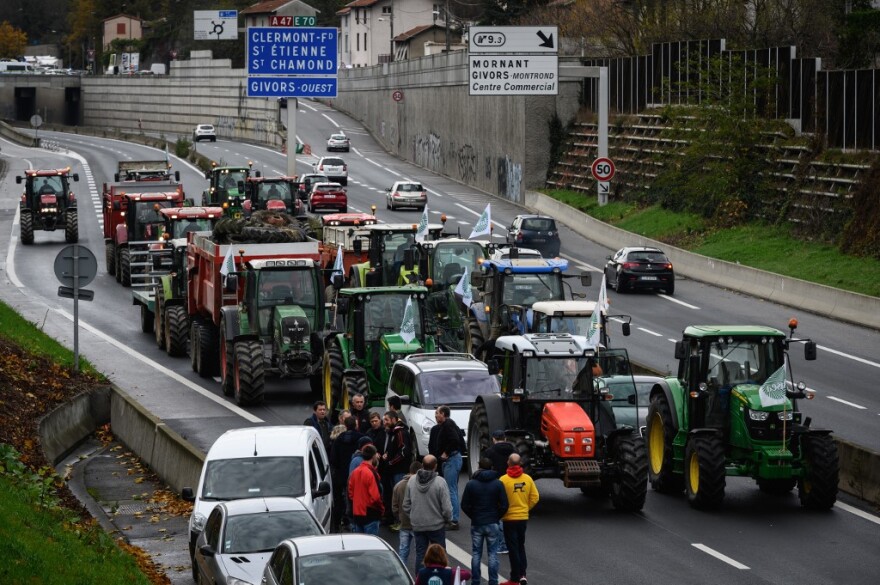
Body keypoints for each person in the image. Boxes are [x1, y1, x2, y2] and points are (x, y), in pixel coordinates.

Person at [461, 457, 509, 585]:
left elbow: (464, 505)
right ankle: (493, 581)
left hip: (477, 523)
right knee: (492, 554)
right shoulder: (498, 483)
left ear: (479, 466)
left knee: (476, 553)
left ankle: (476, 581)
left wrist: (474, 516)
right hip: (492, 522)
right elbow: (505, 505)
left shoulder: (471, 484)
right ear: (491, 467)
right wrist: (496, 517)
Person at [403, 455, 452, 572]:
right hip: (436, 525)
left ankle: (421, 579)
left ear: (422, 465)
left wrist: (415, 515)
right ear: (435, 466)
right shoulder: (440, 482)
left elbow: (406, 504)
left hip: (418, 525)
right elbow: (447, 508)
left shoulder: (412, 480)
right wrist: (447, 519)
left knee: (420, 554)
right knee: (440, 555)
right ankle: (440, 578)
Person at [500, 453, 539, 585]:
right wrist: (525, 508)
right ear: (520, 463)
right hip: (522, 518)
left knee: (513, 548)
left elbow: (499, 499)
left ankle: (514, 577)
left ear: (508, 463)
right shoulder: (527, 479)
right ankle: (523, 575)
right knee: (521, 546)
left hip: (509, 518)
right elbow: (535, 497)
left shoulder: (503, 480)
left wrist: (502, 512)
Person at [427, 405, 464, 530]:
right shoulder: (449, 425)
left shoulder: (448, 425)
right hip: (452, 460)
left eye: (437, 413)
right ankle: (451, 517)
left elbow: (455, 441)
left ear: (443, 414)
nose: (435, 415)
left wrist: (446, 453)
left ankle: (454, 520)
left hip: (452, 460)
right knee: (450, 489)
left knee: (451, 490)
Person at [481, 430, 516, 554]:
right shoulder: (513, 449)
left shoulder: (490, 452)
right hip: (511, 483)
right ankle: (511, 542)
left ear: (494, 439)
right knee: (510, 513)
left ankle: (502, 544)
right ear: (505, 438)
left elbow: (485, 467)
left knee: (498, 514)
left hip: (496, 484)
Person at [329, 415, 362, 532]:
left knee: (340, 499)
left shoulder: (339, 439)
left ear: (346, 426)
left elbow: (333, 459)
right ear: (356, 424)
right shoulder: (361, 439)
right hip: (357, 476)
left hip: (341, 475)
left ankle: (340, 522)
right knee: (355, 499)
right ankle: (353, 522)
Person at [381, 411, 412, 525]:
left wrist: (391, 462)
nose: (385, 423)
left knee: (400, 497)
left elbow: (404, 452)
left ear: (394, 419)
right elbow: (394, 449)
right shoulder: (393, 432)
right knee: (395, 496)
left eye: (387, 420)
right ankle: (397, 520)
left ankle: (402, 522)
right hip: (394, 470)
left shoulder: (400, 433)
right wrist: (387, 454)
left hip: (399, 470)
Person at [348, 444, 384, 535]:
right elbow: (375, 497)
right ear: (373, 456)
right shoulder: (371, 473)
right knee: (371, 546)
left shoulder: (355, 472)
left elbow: (350, 493)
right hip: (370, 515)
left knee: (360, 546)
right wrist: (381, 509)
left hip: (357, 514)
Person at [392, 461, 421, 558]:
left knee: (403, 550)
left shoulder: (398, 485)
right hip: (417, 524)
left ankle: (402, 571)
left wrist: (399, 516)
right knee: (419, 551)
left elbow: (394, 507)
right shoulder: (420, 486)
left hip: (404, 523)